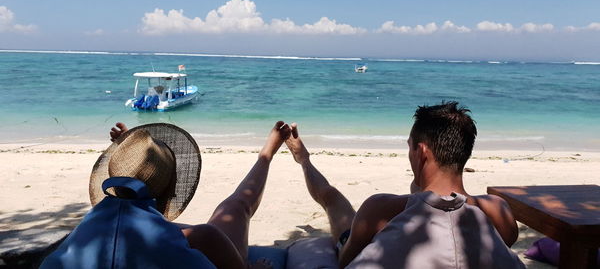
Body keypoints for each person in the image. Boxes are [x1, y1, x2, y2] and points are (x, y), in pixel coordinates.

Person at [285, 102, 525, 268]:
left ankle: (303, 159)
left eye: (409, 146)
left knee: (332, 202)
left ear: (421, 153)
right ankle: (304, 159)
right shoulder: (497, 210)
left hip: (363, 234)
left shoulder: (381, 209)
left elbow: (345, 261)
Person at [44, 121, 290, 269]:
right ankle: (265, 156)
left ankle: (265, 156)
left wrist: (134, 154)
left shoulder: (88, 229)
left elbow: (126, 229)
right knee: (232, 211)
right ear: (171, 188)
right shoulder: (190, 241)